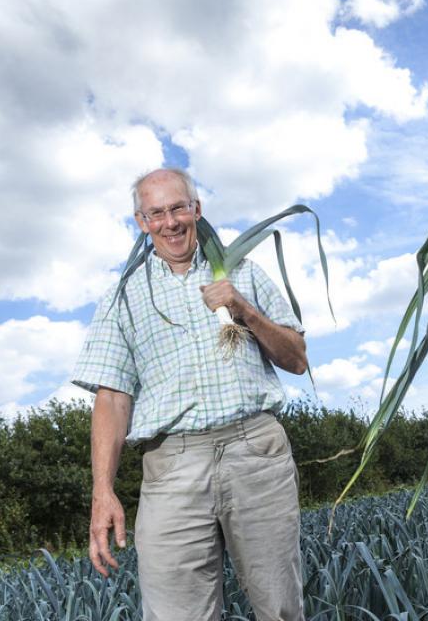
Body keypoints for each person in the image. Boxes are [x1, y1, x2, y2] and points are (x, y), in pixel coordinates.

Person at [72, 168, 308, 621]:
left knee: (281, 610)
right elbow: (112, 398)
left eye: (179, 207)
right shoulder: (123, 297)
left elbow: (296, 358)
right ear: (142, 222)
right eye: (156, 213)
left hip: (254, 451)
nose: (171, 222)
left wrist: (242, 309)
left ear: (197, 209)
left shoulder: (243, 273)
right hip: (172, 467)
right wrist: (103, 490)